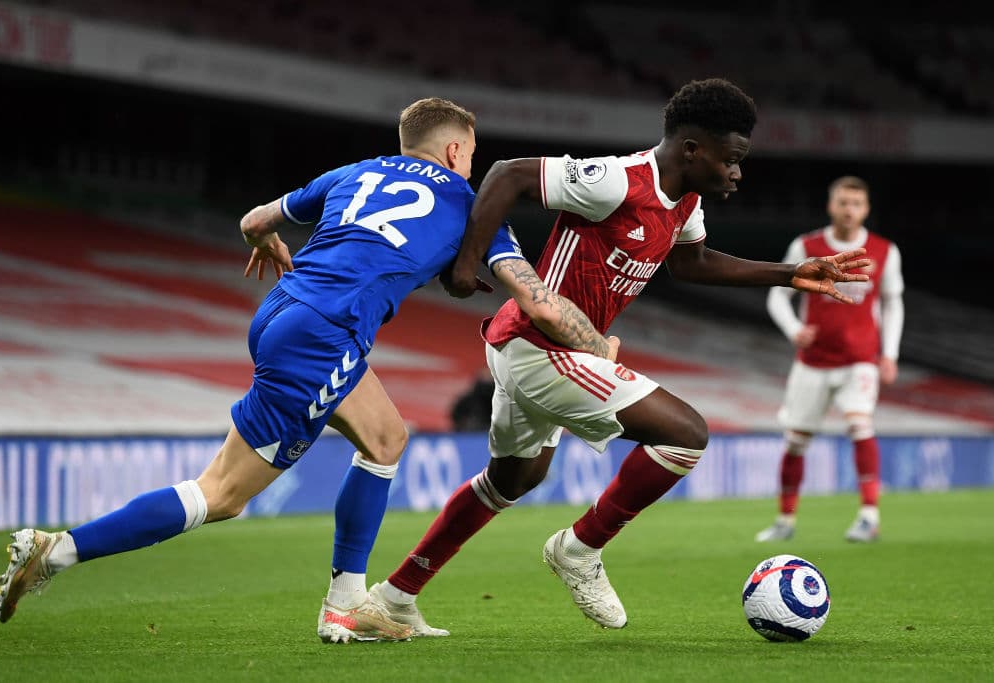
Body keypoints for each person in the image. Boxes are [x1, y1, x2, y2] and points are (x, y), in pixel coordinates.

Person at [0, 97, 617, 643]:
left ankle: (348, 604)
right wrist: (597, 346)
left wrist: (267, 244)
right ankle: (57, 551)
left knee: (386, 437)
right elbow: (537, 301)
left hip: (282, 311)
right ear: (455, 150)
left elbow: (255, 221)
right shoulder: (468, 204)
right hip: (325, 333)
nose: (473, 167)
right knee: (222, 495)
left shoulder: (356, 171)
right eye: (472, 155)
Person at [366, 78, 872, 633]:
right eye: (731, 159)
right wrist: (468, 264)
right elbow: (508, 173)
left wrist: (789, 274)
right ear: (691, 150)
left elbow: (692, 264)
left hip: (535, 350)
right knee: (686, 434)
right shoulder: (616, 180)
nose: (737, 172)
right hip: (540, 347)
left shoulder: (686, 201)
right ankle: (579, 550)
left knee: (511, 480)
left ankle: (393, 597)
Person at [754, 176, 904, 544]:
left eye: (856, 203)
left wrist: (890, 353)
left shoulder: (885, 250)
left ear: (866, 209)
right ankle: (785, 520)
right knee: (795, 442)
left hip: (859, 359)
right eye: (843, 202)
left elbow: (892, 302)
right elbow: (778, 294)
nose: (849, 209)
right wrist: (793, 329)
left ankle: (869, 516)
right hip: (813, 361)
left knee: (860, 425)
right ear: (830, 205)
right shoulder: (808, 246)